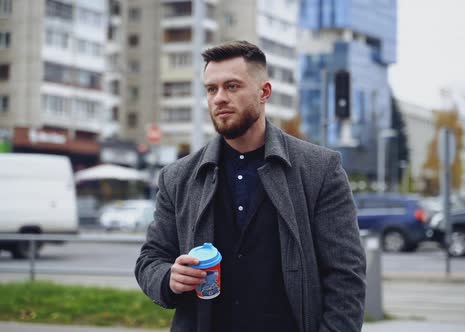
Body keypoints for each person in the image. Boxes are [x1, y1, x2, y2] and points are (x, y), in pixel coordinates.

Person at [135, 40, 366, 332]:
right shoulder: (178, 177)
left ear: (264, 92)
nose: (219, 98)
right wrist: (168, 277)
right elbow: (150, 260)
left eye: (232, 86)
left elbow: (346, 276)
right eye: (211, 89)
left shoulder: (319, 169)